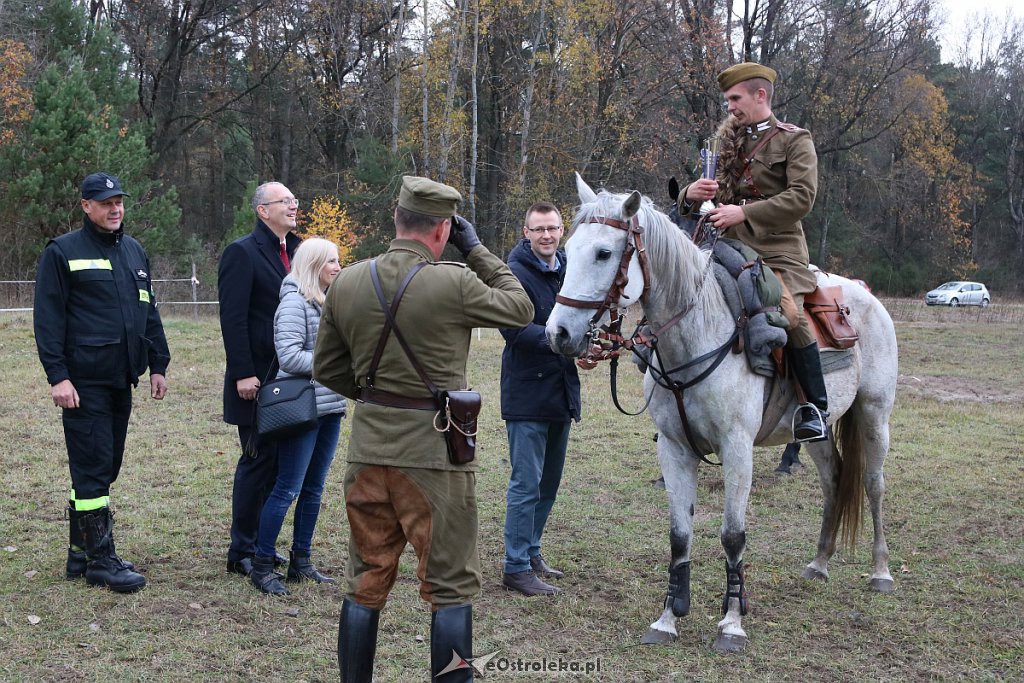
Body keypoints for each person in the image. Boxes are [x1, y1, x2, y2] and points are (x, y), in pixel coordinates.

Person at [313, 176, 533, 682]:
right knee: (450, 586)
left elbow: (326, 368)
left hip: (367, 452)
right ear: (443, 230)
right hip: (434, 457)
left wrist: (379, 399)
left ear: (396, 220)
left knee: (365, 579)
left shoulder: (347, 281)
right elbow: (520, 307)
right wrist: (475, 248)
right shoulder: (453, 279)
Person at [33, 172, 170, 593]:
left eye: (119, 202)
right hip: (83, 382)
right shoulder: (62, 252)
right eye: (106, 202)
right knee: (92, 467)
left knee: (105, 465)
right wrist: (58, 376)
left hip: (120, 378)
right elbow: (48, 318)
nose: (115, 209)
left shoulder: (133, 252)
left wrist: (158, 362)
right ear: (86, 206)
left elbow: (148, 311)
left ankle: (81, 551)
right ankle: (101, 561)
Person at [679, 62, 828, 442]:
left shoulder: (795, 140)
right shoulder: (726, 143)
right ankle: (681, 398)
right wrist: (689, 194)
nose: (729, 107)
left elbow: (802, 197)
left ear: (760, 95)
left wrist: (743, 212)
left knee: (787, 312)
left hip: (777, 252)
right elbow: (707, 200)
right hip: (725, 246)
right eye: (728, 100)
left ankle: (814, 405)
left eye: (735, 99)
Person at [249, 238, 347, 595]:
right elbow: (289, 357)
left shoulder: (327, 302)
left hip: (329, 406)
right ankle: (261, 565)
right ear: (313, 265)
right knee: (287, 488)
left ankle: (301, 561)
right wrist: (336, 365)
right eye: (331, 261)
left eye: (338, 260)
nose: (338, 267)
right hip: (302, 409)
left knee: (314, 488)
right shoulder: (293, 302)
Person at [499, 201, 587, 597]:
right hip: (527, 394)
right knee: (526, 483)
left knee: (549, 482)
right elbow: (516, 332)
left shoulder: (567, 268)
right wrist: (565, 343)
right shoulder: (513, 275)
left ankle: (532, 551)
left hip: (559, 392)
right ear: (526, 232)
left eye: (553, 228)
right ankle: (515, 567)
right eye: (539, 229)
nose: (547, 235)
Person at [218, 181, 302, 577]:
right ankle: (242, 551)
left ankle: (263, 542)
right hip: (257, 379)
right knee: (256, 462)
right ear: (262, 210)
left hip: (293, 380)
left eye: (293, 200)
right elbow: (233, 319)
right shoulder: (241, 253)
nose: (292, 206)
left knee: (279, 466)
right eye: (284, 201)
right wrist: (244, 373)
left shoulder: (298, 251)